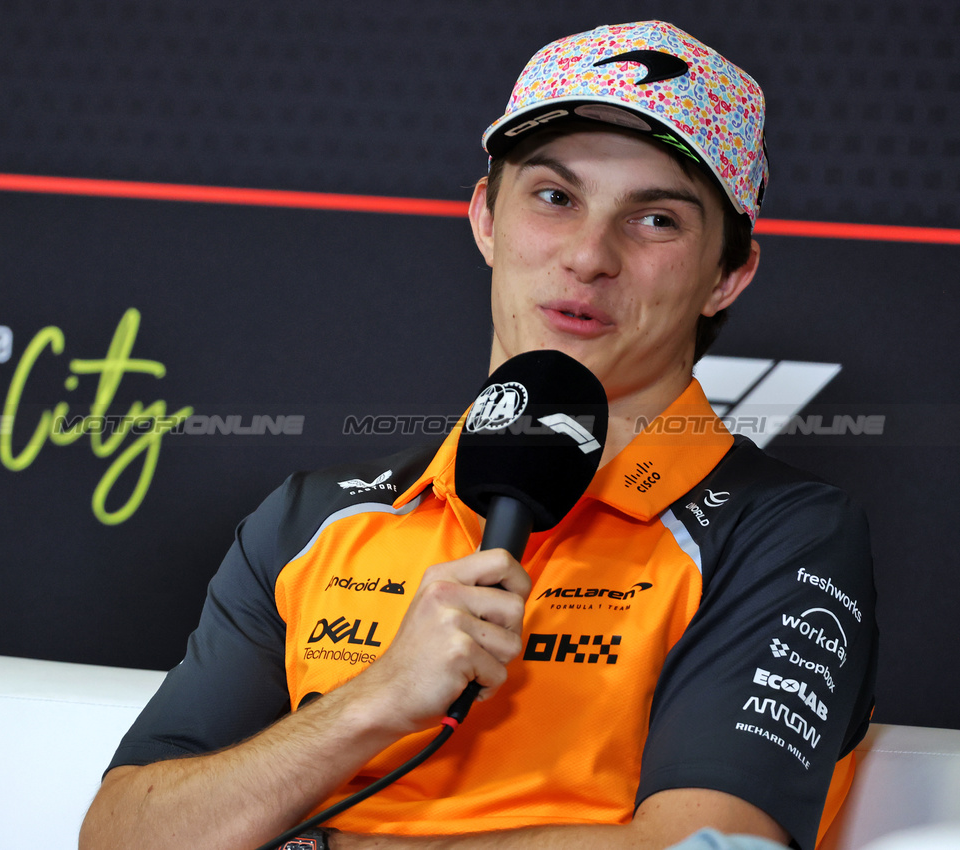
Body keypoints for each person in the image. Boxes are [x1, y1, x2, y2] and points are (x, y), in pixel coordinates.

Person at [79, 21, 877, 850]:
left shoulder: (783, 533)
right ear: (485, 218)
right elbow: (120, 837)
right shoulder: (310, 520)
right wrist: (375, 698)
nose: (587, 255)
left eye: (655, 221)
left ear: (726, 275)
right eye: (554, 197)